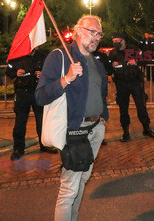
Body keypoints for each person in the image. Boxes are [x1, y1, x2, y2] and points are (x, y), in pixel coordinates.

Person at [35, 15, 108, 221]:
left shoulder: (97, 63)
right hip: (74, 132)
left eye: (99, 34)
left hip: (96, 128)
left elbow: (101, 93)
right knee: (69, 189)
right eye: (91, 31)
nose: (96, 37)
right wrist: (66, 79)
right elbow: (41, 96)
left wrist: (103, 118)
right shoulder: (59, 57)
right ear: (76, 32)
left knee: (82, 181)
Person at [6, 48, 58, 160]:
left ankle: (44, 145)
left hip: (38, 92)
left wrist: (43, 74)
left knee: (41, 120)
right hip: (22, 93)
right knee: (20, 122)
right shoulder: (17, 56)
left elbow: (52, 72)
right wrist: (16, 73)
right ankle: (18, 149)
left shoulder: (43, 56)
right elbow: (8, 71)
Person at [108, 32, 154, 142]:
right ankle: (125, 132)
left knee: (141, 106)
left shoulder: (133, 50)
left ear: (124, 40)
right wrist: (112, 65)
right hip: (121, 84)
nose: (116, 43)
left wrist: (136, 62)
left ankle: (146, 128)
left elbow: (145, 59)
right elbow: (108, 68)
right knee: (123, 109)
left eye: (118, 41)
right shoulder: (112, 53)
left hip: (135, 82)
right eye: (114, 41)